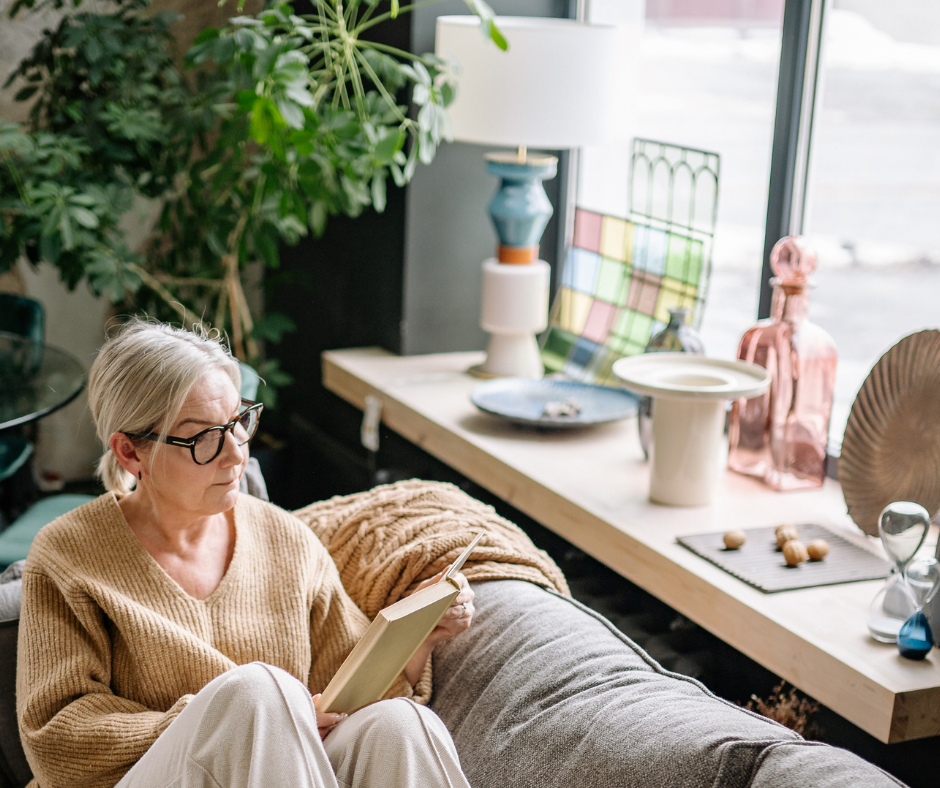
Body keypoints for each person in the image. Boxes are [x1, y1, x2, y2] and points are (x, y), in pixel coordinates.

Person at [16, 319, 476, 788]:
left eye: (238, 422)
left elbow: (347, 695)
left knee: (397, 723)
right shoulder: (67, 555)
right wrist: (213, 718)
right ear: (130, 453)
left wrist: (421, 636)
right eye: (203, 438)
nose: (236, 454)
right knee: (257, 692)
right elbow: (57, 739)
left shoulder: (285, 539)